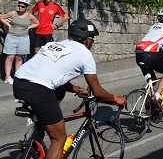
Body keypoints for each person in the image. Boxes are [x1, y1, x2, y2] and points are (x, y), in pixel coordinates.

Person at [13, 19, 126, 159]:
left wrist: (77, 89)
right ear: (86, 39)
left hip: (19, 82)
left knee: (59, 91)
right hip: (39, 89)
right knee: (59, 139)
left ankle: (39, 133)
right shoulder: (85, 54)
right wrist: (116, 99)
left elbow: (53, 76)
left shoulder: (55, 43)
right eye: (92, 39)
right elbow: (97, 91)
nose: (92, 43)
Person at [0, 0, 39, 85]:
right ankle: (7, 76)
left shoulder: (30, 16)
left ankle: (17, 76)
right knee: (10, 56)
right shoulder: (13, 13)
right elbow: (2, 18)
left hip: (23, 38)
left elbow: (37, 23)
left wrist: (29, 27)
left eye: (22, 6)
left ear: (26, 7)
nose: (20, 7)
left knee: (19, 58)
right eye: (19, 5)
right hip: (12, 37)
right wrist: (8, 25)